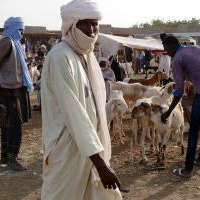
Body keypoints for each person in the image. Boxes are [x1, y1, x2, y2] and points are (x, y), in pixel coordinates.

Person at [40, 0, 122, 199]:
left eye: (94, 23)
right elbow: (74, 114)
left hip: (90, 147)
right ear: (70, 26)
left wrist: (98, 158)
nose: (91, 29)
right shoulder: (60, 57)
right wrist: (100, 164)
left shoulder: (86, 57)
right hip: (67, 149)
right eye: (84, 23)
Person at [160, 36, 200, 178]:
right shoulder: (198, 48)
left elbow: (179, 90)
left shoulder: (177, 60)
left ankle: (188, 169)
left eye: (166, 49)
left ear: (171, 46)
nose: (166, 52)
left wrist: (168, 111)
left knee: (194, 131)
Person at [0, 17, 33, 171]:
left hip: (15, 87)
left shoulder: (14, 43)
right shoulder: (7, 42)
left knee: (9, 122)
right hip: (7, 89)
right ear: (13, 28)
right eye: (20, 29)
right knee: (15, 123)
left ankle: (5, 157)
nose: (22, 32)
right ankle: (12, 158)